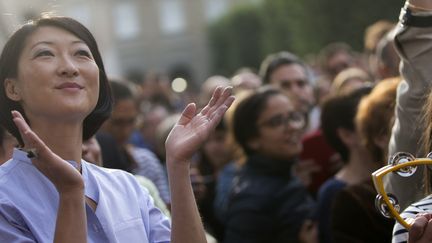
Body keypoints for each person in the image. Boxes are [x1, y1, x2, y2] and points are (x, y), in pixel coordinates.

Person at [0, 15, 234, 243]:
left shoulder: (127, 186)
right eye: (45, 53)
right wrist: (70, 195)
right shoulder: (5, 197)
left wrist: (178, 163)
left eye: (81, 54)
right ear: (12, 88)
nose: (69, 67)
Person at [224, 86, 316, 243]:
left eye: (294, 117)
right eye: (277, 122)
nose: (293, 127)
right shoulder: (250, 201)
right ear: (252, 139)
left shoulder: (285, 174)